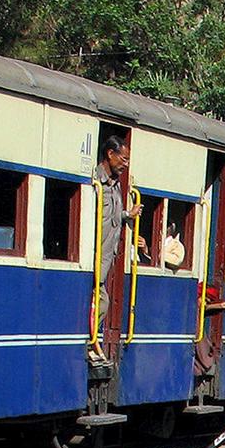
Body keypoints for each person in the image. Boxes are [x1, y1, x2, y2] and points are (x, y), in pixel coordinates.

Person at [93, 133, 139, 361]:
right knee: (102, 301)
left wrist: (126, 215)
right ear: (110, 154)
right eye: (124, 158)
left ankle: (94, 341)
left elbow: (109, 216)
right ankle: (92, 342)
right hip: (94, 258)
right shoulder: (95, 180)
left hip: (106, 258)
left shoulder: (115, 186)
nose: (125, 164)